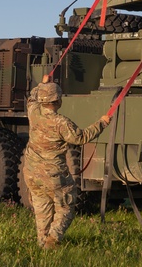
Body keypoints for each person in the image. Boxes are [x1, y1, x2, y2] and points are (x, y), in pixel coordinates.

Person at [23, 75, 111, 249]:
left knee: (42, 209)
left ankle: (42, 243)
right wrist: (102, 123)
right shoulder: (61, 123)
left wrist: (43, 83)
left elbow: (32, 97)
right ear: (58, 101)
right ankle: (53, 239)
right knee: (66, 205)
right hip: (53, 174)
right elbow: (81, 137)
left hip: (31, 173)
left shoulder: (33, 112)